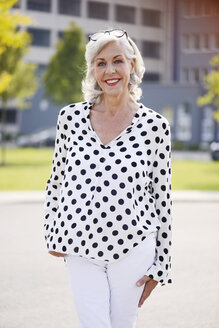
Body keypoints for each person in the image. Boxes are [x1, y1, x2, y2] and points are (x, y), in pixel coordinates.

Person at [43, 28, 173, 328]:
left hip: (134, 248)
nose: (110, 70)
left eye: (117, 61)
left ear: (132, 66)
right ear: (92, 70)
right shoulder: (70, 119)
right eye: (100, 63)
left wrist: (162, 264)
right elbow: (56, 182)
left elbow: (162, 198)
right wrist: (51, 231)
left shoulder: (155, 126)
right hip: (79, 246)